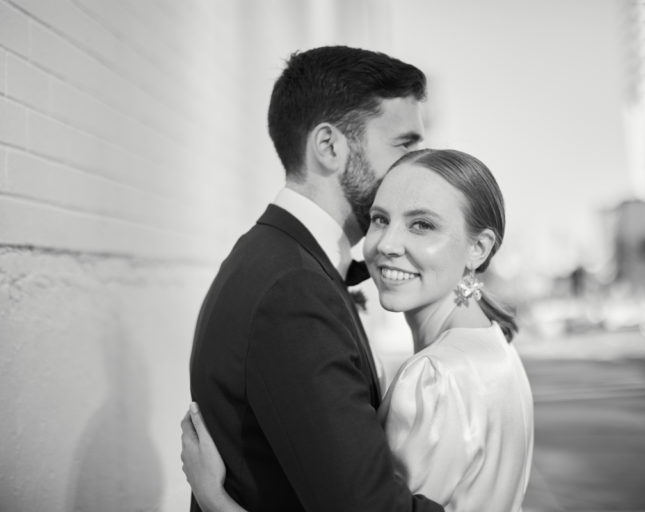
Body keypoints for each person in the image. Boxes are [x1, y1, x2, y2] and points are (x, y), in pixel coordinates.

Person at [183, 149, 535, 512]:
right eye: (380, 219)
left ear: (479, 248)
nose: (386, 244)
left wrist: (215, 500)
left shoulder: (434, 377)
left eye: (421, 225)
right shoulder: (499, 351)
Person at [187, 45, 442, 512]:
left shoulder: (283, 260)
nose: (417, 168)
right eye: (404, 146)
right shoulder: (293, 289)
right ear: (329, 147)